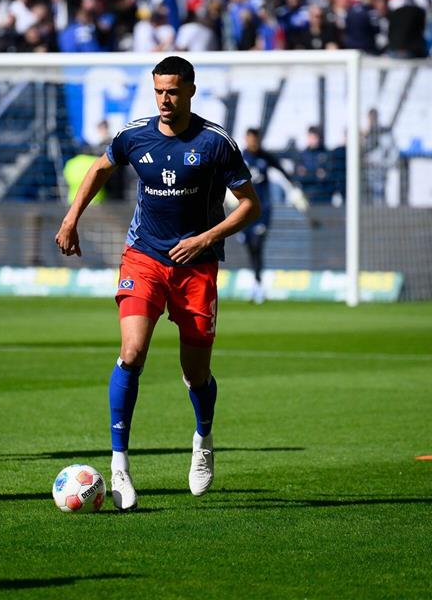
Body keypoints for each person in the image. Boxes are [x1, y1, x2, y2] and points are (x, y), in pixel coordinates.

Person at [55, 56, 260, 511]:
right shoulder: (134, 135)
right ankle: (120, 466)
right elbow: (99, 170)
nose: (164, 100)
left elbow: (250, 205)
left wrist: (205, 238)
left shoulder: (215, 143)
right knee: (132, 353)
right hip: (144, 257)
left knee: (195, 373)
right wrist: (71, 218)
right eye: (158, 91)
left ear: (189, 89)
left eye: (172, 91)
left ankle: (203, 440)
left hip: (197, 265)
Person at [240, 128, 311, 304]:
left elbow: (283, 171)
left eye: (255, 139)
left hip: (262, 209)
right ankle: (256, 284)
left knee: (258, 243)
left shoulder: (266, 157)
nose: (253, 142)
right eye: (250, 139)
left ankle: (258, 286)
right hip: (244, 210)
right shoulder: (240, 157)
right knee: (250, 245)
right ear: (246, 139)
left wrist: (295, 189)